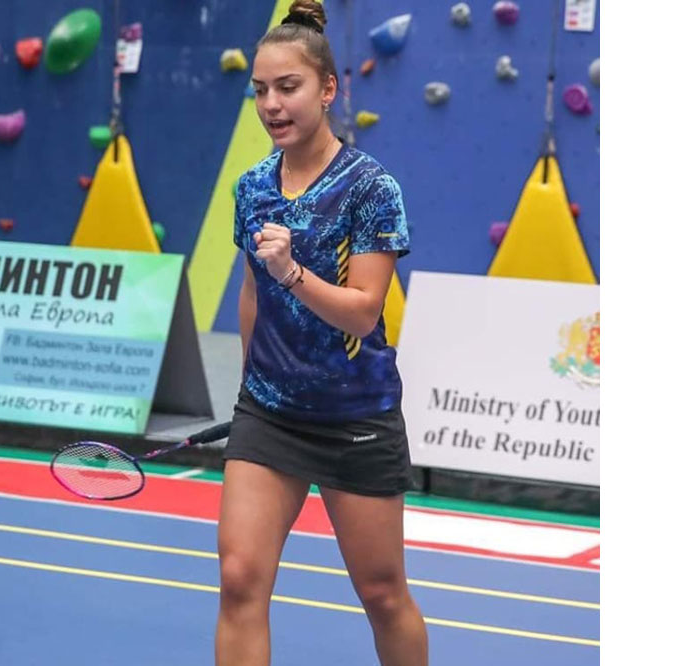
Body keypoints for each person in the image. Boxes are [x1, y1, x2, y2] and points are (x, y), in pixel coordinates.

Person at [215, 2, 429, 664]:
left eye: (288, 87)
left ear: (327, 88)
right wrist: (250, 390)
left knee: (383, 594)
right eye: (260, 90)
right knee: (239, 579)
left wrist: (291, 270)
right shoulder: (253, 188)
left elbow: (364, 311)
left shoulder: (371, 189)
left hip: (353, 416)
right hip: (270, 412)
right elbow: (252, 292)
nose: (272, 105)